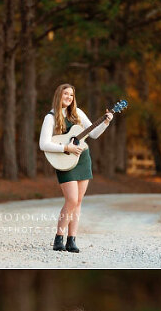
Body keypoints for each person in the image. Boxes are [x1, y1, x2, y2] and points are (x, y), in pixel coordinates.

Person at [39, 84, 113, 253]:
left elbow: (93, 134)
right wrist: (66, 148)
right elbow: (43, 144)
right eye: (66, 94)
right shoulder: (50, 117)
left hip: (82, 159)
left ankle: (71, 240)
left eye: (71, 95)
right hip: (64, 161)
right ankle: (59, 237)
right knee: (71, 200)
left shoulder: (78, 113)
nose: (69, 98)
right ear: (59, 95)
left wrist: (106, 122)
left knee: (78, 202)